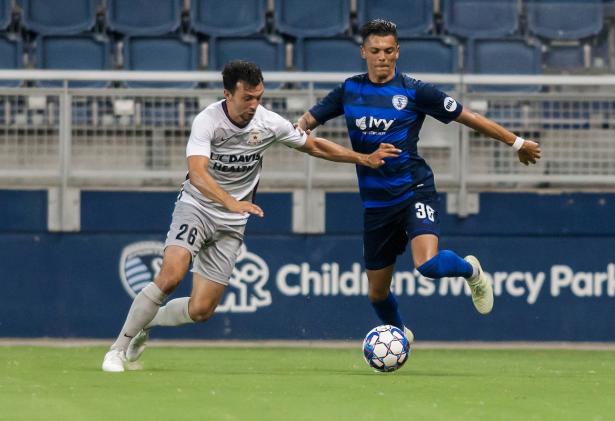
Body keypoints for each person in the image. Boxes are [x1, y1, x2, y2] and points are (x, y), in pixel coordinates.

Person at [102, 60, 401, 372]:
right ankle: (117, 349)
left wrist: (362, 157)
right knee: (171, 276)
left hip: (232, 223)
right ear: (228, 94)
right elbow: (198, 173)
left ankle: (145, 324)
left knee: (202, 309)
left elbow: (313, 145)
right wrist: (230, 201)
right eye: (248, 98)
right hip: (197, 207)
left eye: (259, 97)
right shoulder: (208, 121)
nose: (254, 104)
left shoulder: (268, 122)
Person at [296, 19, 542, 339]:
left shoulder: (415, 90)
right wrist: (292, 129)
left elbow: (469, 117)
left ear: (397, 52)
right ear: (363, 52)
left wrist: (517, 143)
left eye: (388, 51)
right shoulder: (348, 90)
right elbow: (305, 124)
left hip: (414, 188)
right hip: (376, 204)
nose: (382, 57)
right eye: (375, 51)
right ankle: (400, 336)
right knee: (377, 295)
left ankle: (472, 271)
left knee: (426, 265)